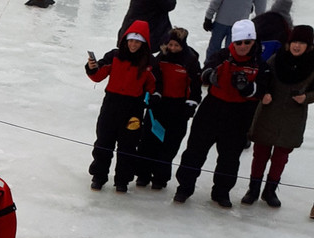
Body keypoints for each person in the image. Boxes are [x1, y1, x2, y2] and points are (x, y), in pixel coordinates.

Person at [174, 19, 271, 206]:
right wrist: (210, 75)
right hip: (212, 109)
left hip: (239, 114)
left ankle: (221, 192)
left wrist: (247, 88)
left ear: (253, 42)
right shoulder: (221, 55)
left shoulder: (260, 63)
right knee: (195, 151)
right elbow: (204, 72)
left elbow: (263, 89)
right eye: (239, 42)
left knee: (230, 157)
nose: (242, 46)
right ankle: (184, 188)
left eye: (247, 42)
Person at [241, 24, 314, 206]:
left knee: (281, 156)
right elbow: (262, 78)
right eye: (294, 41)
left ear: (309, 46)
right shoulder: (276, 59)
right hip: (268, 113)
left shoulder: (312, 66)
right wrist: (263, 93)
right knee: (260, 153)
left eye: (302, 43)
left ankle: (270, 190)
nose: (297, 46)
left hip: (292, 118)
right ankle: (254, 189)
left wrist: (306, 97)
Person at [86, 20, 158, 192]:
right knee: (104, 142)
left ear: (144, 43)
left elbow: (155, 86)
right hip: (111, 105)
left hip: (133, 109)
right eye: (131, 40)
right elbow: (98, 76)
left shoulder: (149, 62)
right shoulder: (114, 56)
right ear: (125, 40)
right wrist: (92, 68)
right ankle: (99, 176)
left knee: (128, 146)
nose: (133, 44)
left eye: (137, 41)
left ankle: (122, 181)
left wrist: (155, 97)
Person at [135, 28, 203, 190]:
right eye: (170, 45)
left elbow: (196, 88)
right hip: (158, 106)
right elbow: (153, 78)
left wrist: (190, 105)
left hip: (178, 109)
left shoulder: (190, 60)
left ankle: (160, 178)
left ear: (182, 46)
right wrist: (154, 95)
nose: (172, 48)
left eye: (176, 45)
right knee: (148, 142)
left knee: (169, 146)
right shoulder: (161, 57)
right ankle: (143, 175)